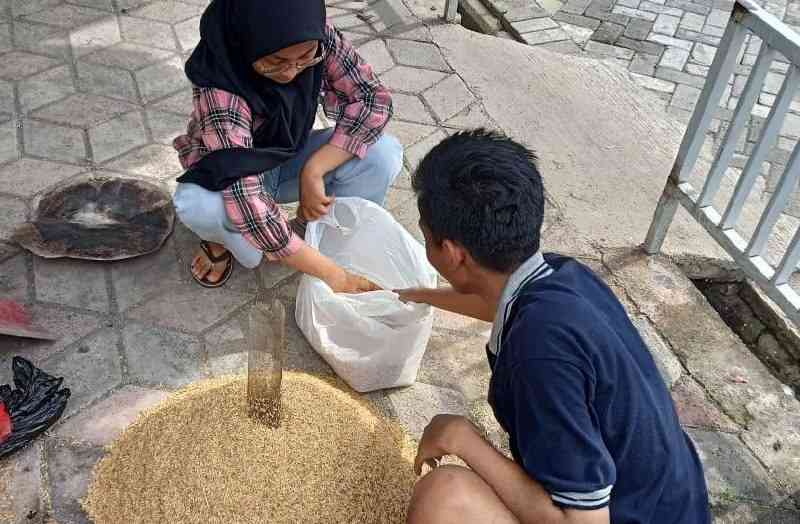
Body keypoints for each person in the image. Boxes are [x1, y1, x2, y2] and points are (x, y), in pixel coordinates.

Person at [397, 129, 710, 524]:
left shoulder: (537, 356)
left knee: (445, 495)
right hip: (673, 502)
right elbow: (495, 303)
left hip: (614, 515)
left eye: (427, 239)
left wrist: (461, 437)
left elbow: (583, 522)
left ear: (452, 253)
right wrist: (422, 295)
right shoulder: (561, 274)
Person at [172, 0, 401, 291]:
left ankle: (321, 233)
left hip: (286, 155)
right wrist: (334, 276)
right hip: (230, 170)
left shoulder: (317, 39)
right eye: (275, 61)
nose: (292, 72)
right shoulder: (219, 89)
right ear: (245, 41)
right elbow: (243, 192)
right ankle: (222, 240)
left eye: (305, 58)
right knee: (198, 204)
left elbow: (372, 98)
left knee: (382, 154)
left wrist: (314, 171)